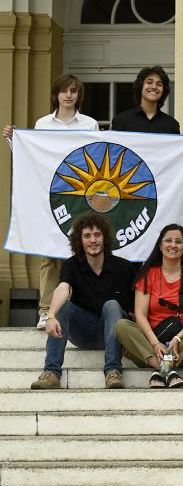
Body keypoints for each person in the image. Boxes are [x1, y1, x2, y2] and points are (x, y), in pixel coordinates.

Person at [3, 74, 99, 329]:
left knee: (79, 252)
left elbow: (96, 158)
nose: (69, 95)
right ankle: (46, 310)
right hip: (49, 194)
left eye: (73, 91)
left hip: (78, 195)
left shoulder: (90, 124)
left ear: (79, 95)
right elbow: (32, 155)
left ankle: (76, 310)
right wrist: (14, 140)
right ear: (55, 95)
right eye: (64, 91)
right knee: (48, 253)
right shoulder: (43, 122)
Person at [29, 213, 136, 390]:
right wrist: (51, 315)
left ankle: (113, 371)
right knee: (66, 306)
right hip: (83, 332)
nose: (93, 240)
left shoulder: (124, 267)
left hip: (113, 331)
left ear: (105, 238)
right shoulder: (72, 265)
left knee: (112, 305)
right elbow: (63, 288)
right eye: (87, 236)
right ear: (79, 241)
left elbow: (135, 308)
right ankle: (51, 372)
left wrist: (132, 339)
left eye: (97, 235)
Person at [116, 224, 183, 389]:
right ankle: (164, 368)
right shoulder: (148, 273)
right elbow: (140, 315)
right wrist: (155, 344)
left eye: (178, 241)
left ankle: (161, 368)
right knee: (122, 325)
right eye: (168, 241)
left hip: (182, 347)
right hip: (150, 346)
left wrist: (177, 338)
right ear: (160, 246)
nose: (173, 245)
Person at [111, 65, 180, 134]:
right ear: (140, 86)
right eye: (149, 82)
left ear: (163, 90)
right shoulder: (121, 121)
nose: (154, 87)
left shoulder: (172, 125)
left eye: (159, 84)